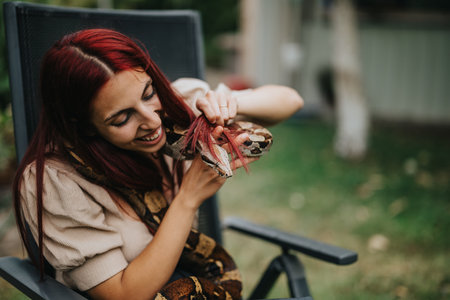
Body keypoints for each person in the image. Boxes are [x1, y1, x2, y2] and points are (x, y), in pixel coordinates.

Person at [13, 28, 303, 299]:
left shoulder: (178, 107)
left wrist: (229, 104)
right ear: (86, 128)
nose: (152, 121)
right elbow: (124, 295)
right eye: (122, 117)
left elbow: (290, 100)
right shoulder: (55, 181)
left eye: (148, 93)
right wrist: (188, 198)